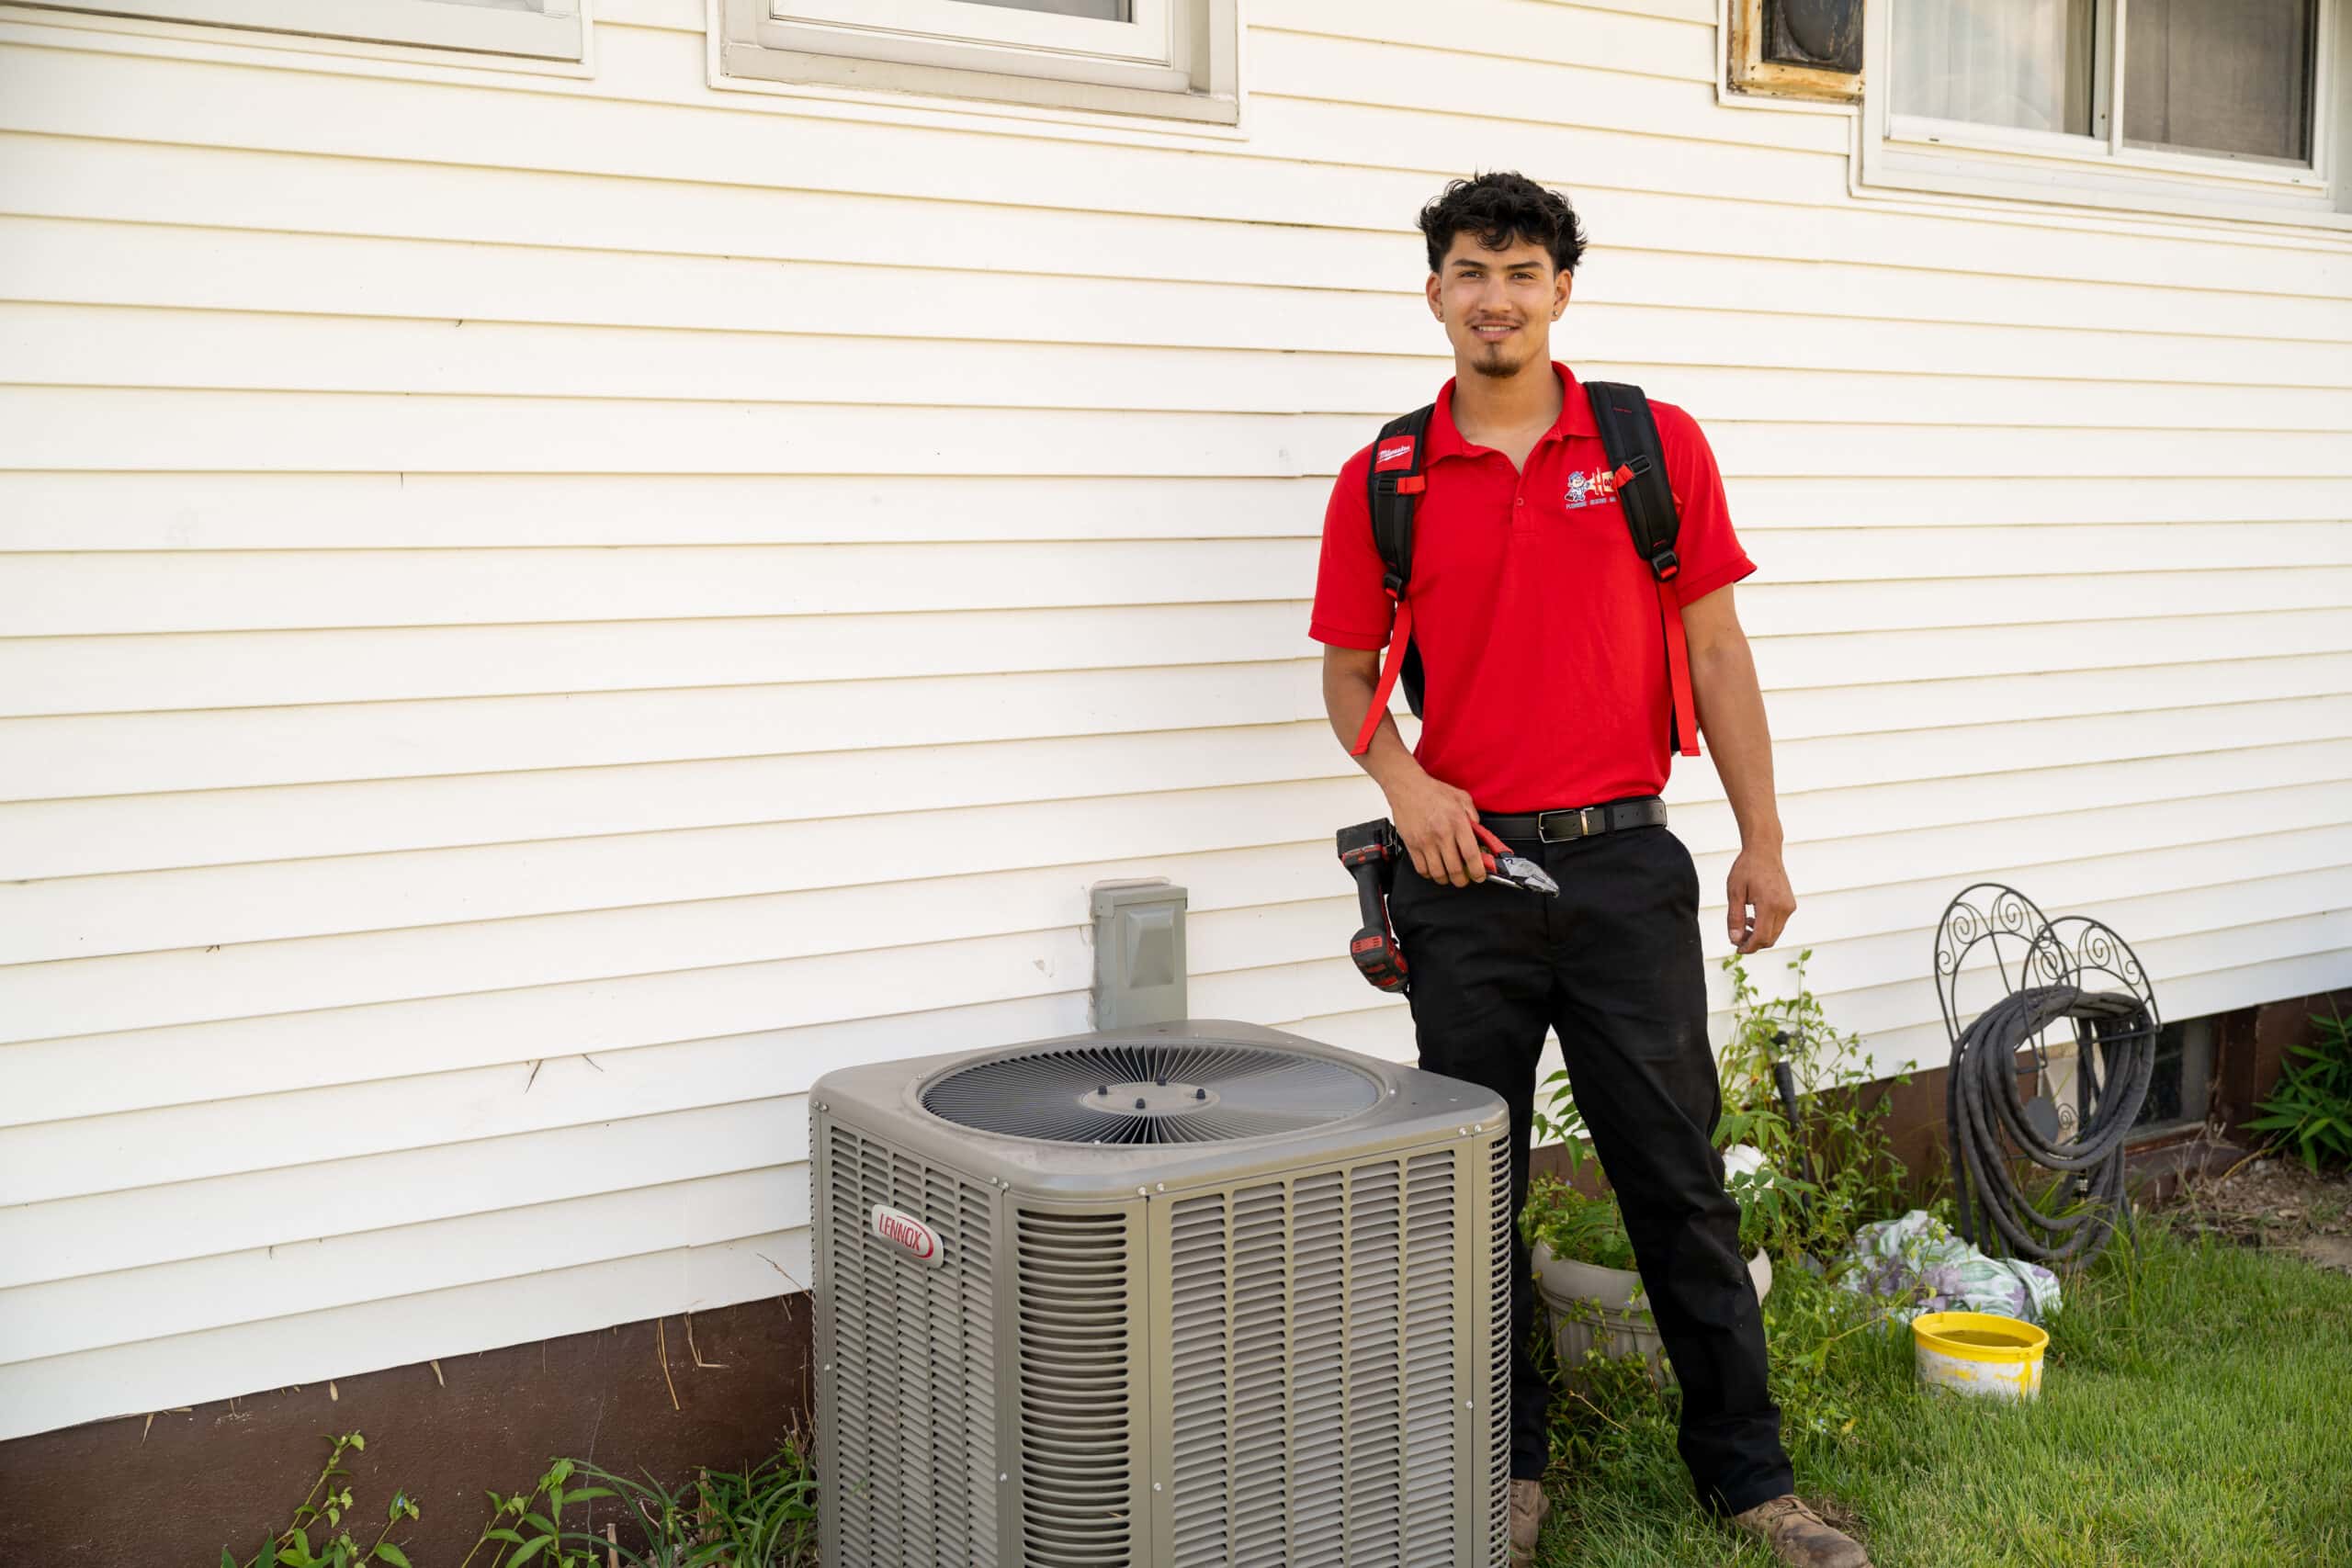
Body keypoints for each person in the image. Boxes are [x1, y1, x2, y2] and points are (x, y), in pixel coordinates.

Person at [1308, 172, 1871, 1568]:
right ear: (1431, 291)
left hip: (1626, 869)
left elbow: (1721, 650)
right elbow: (1343, 674)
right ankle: (1508, 1471)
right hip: (1465, 882)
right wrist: (1405, 780)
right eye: (1468, 270)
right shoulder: (1386, 475)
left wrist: (1765, 836)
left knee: (1675, 1180)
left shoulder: (1648, 443)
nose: (1495, 294)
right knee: (1470, 1186)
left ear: (1564, 287)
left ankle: (1753, 1482)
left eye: (1521, 269)